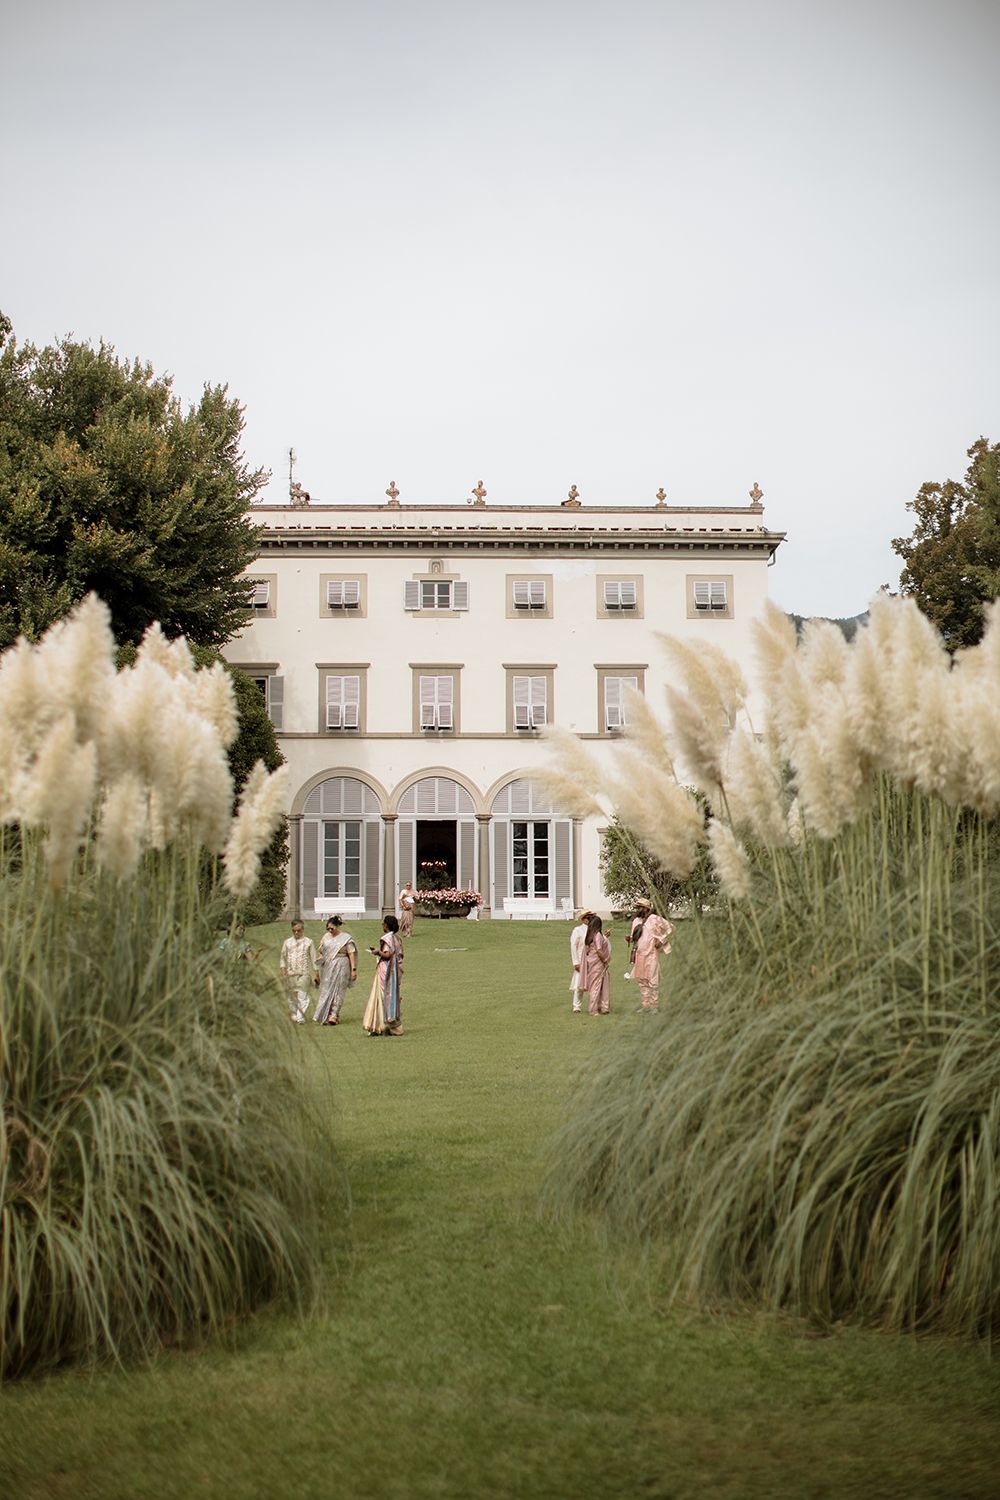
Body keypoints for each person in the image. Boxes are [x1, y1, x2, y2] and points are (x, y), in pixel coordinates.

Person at [627, 898, 674, 1012]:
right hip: (639, 954)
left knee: (653, 980)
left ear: (646, 908)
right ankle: (645, 1005)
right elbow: (635, 937)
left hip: (651, 954)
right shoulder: (636, 921)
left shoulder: (654, 919)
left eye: (640, 907)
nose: (638, 909)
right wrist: (630, 938)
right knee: (642, 981)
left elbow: (670, 928)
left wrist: (661, 940)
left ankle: (654, 1006)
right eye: (637, 907)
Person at [363, 914, 404, 1036]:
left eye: (383, 924)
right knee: (390, 996)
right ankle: (384, 1025)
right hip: (394, 970)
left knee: (382, 996)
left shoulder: (388, 938)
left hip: (386, 970)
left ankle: (380, 1025)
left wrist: (377, 952)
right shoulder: (397, 939)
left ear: (386, 925)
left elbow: (387, 954)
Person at [313, 915, 358, 1025]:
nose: (330, 931)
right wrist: (320, 958)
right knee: (327, 989)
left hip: (342, 964)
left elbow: (351, 954)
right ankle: (325, 1014)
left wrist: (353, 970)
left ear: (337, 926)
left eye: (332, 928)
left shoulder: (346, 938)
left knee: (339, 989)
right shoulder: (326, 937)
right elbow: (321, 951)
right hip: (328, 966)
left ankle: (334, 1014)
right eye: (328, 929)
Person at [279, 919, 318, 1024]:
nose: (296, 933)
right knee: (291, 996)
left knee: (302, 995)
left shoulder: (309, 942)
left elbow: (314, 958)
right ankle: (294, 1015)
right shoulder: (287, 942)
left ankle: (300, 1017)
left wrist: (316, 973)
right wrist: (283, 970)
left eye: (298, 930)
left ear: (302, 929)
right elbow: (282, 957)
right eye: (294, 930)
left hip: (303, 973)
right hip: (290, 973)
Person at [582, 914, 612, 1016]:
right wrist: (605, 961)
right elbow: (599, 950)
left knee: (600, 984)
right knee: (596, 985)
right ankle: (593, 1009)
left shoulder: (590, 935)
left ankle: (602, 1006)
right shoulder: (597, 935)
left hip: (592, 962)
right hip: (598, 963)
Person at [569, 909, 594, 1013]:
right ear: (583, 919)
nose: (590, 919)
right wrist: (576, 962)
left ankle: (594, 1004)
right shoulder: (578, 930)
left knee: (593, 982)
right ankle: (576, 1006)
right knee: (579, 983)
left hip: (592, 959)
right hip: (581, 959)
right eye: (588, 917)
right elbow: (573, 946)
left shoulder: (594, 930)